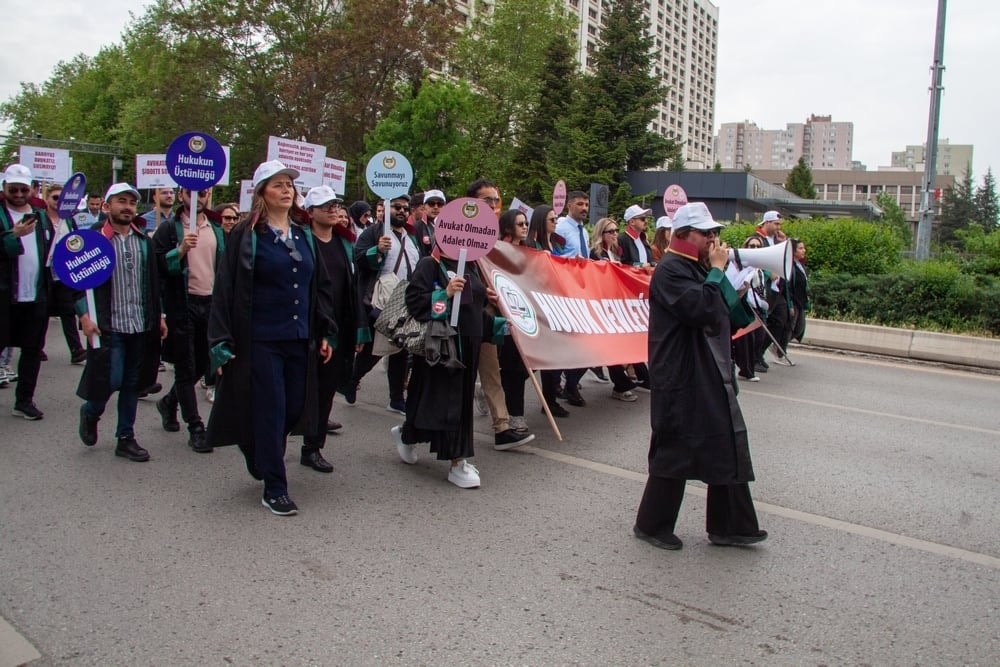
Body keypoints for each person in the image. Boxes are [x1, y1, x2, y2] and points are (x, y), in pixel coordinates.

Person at [633, 202, 766, 551]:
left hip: (707, 368)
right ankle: (652, 524)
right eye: (705, 233)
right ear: (682, 235)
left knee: (725, 441)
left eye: (714, 233)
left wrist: (732, 284)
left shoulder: (696, 267)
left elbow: (727, 315)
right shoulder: (671, 270)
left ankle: (732, 526)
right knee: (675, 446)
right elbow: (702, 310)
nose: (713, 239)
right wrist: (718, 273)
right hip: (680, 373)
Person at [207, 160, 336, 516]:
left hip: (299, 338)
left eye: (289, 184)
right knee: (272, 408)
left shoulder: (303, 233)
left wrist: (325, 330)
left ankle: (256, 448)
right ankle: (275, 487)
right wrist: (221, 341)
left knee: (294, 407)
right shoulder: (245, 234)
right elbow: (225, 288)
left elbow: (319, 286)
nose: (286, 189)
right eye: (277, 184)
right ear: (262, 191)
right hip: (260, 339)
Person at [391, 231, 504, 488]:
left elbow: (474, 306)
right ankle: (457, 461)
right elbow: (415, 302)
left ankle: (408, 435)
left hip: (469, 346)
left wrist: (490, 302)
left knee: (455, 403)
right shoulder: (429, 264)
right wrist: (444, 294)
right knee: (445, 403)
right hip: (441, 348)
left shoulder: (472, 265)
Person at [76, 183, 166, 460]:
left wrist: (160, 316)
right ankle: (91, 413)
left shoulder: (143, 241)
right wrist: (83, 314)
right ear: (107, 206)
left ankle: (125, 437)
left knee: (132, 383)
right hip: (108, 325)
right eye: (121, 201)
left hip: (139, 323)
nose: (127, 207)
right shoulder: (92, 239)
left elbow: (153, 283)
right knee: (110, 379)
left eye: (131, 202)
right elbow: (75, 282)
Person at [152, 187, 224, 453]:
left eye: (204, 193)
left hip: (211, 304)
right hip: (183, 305)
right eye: (193, 193)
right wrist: (179, 250)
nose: (199, 197)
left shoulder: (216, 229)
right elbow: (158, 266)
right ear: (182, 195)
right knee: (185, 365)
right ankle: (195, 426)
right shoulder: (169, 230)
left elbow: (225, 267)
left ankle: (169, 402)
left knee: (203, 364)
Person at [300, 185, 364, 472]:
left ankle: (312, 447)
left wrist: (358, 328)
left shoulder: (344, 243)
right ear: (310, 212)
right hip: (309, 327)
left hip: (339, 327)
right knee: (302, 388)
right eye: (324, 206)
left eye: (336, 204)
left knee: (326, 388)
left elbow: (354, 287)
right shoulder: (300, 241)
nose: (333, 210)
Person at [351, 193, 418, 414]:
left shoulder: (411, 236)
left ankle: (397, 398)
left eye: (405, 208)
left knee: (401, 348)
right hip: (382, 299)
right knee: (374, 349)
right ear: (385, 209)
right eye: (396, 207)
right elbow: (358, 258)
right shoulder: (374, 232)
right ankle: (352, 379)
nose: (401, 211)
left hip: (405, 299)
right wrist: (377, 250)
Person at [0, 164, 55, 420]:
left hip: (35, 295)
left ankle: (24, 400)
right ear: (5, 189)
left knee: (32, 349)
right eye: (14, 189)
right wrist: (13, 235)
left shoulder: (40, 215)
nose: (19, 194)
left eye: (24, 189)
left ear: (32, 189)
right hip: (4, 295)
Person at [526, 204, 569, 418]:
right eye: (552, 219)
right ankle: (504, 383)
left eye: (556, 219)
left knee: (554, 357)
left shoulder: (556, 244)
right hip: (537, 306)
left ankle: (550, 401)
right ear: (541, 221)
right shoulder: (530, 245)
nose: (556, 223)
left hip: (555, 306)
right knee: (534, 361)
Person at [43, 182, 86, 365]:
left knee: (68, 310)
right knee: (41, 312)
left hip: (63, 273)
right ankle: (36, 346)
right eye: (55, 197)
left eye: (62, 198)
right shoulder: (41, 219)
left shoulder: (68, 219)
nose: (59, 201)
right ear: (47, 199)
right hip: (44, 274)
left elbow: (76, 242)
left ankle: (76, 349)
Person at [618, 205, 655, 271]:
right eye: (642, 219)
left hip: (644, 279)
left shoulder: (643, 238)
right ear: (632, 222)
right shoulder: (622, 239)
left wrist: (655, 264)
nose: (646, 221)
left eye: (646, 218)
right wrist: (640, 265)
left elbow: (648, 262)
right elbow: (622, 263)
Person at [414, 189, 445, 257]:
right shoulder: (416, 227)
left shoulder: (451, 227)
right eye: (431, 204)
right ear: (424, 207)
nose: (436, 207)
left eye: (439, 204)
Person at [788, 239, 808, 343]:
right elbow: (789, 285)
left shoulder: (801, 265)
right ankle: (779, 350)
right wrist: (790, 303)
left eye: (803, 248)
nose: (803, 251)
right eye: (800, 248)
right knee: (791, 327)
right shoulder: (790, 266)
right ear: (793, 251)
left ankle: (779, 348)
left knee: (799, 328)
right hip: (794, 301)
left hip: (801, 301)